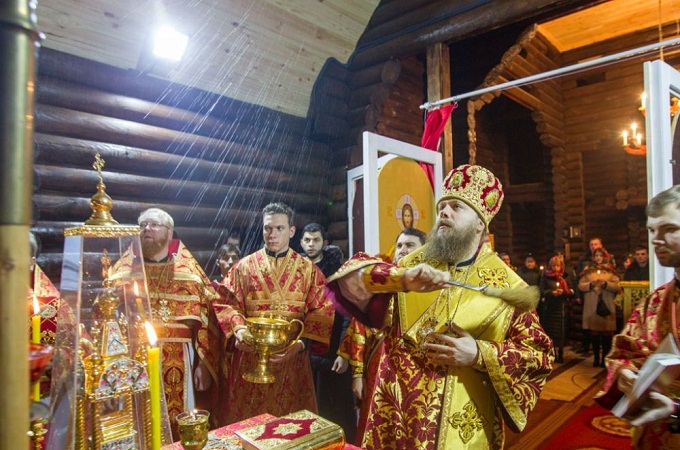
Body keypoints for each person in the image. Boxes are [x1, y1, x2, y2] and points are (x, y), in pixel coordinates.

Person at [327, 164, 553, 449]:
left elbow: (538, 356)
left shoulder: (509, 288)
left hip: (461, 426)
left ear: (480, 224)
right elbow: (349, 280)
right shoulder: (410, 266)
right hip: (393, 421)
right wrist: (401, 279)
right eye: (442, 206)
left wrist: (479, 354)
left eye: (456, 207)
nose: (444, 212)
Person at [214, 202, 334, 424]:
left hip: (292, 362)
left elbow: (323, 309)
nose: (272, 234)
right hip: (250, 357)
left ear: (291, 231)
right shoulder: (244, 267)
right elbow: (226, 303)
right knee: (249, 425)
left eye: (279, 228)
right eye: (267, 228)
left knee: (291, 427)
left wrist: (300, 345)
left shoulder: (308, 269)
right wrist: (239, 330)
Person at [111, 208, 222, 436]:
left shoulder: (189, 274)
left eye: (153, 225)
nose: (146, 229)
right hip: (134, 357)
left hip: (179, 358)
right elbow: (110, 320)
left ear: (169, 233)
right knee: (138, 421)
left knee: (179, 423)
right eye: (142, 225)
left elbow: (207, 319)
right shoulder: (123, 273)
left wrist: (203, 363)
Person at [596, 185, 680, 448]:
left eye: (669, 229)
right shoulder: (654, 302)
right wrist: (627, 375)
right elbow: (625, 352)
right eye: (652, 230)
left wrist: (676, 409)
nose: (656, 239)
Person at [338, 226, 427, 445]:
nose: (403, 250)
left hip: (419, 372)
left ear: (423, 250)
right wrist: (357, 375)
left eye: (410, 245)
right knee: (376, 423)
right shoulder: (381, 283)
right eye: (399, 245)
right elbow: (360, 328)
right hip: (379, 367)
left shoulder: (431, 287)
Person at [299, 222, 355, 442]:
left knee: (335, 408)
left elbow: (347, 315)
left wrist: (344, 352)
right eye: (307, 240)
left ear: (324, 242)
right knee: (308, 409)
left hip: (332, 352)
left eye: (316, 240)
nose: (311, 244)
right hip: (304, 351)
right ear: (301, 242)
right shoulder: (297, 269)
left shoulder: (337, 273)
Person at [28, 232, 62, 399]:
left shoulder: (50, 302)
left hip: (36, 394)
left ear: (31, 262)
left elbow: (76, 349)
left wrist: (56, 359)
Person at [578, 248, 620, 367]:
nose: (598, 258)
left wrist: (606, 284)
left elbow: (617, 286)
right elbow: (581, 285)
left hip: (607, 304)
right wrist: (590, 285)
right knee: (594, 333)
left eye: (600, 255)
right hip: (592, 304)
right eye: (596, 255)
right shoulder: (588, 272)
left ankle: (605, 358)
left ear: (604, 257)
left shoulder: (610, 271)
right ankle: (596, 358)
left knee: (607, 333)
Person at [539, 255, 575, 363]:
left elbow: (572, 290)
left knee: (561, 331)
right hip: (550, 307)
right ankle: (552, 352)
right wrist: (551, 292)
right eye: (553, 266)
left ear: (561, 266)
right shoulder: (545, 276)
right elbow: (541, 290)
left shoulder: (565, 276)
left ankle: (561, 352)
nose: (555, 268)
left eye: (557, 266)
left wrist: (563, 292)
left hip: (562, 307)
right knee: (551, 331)